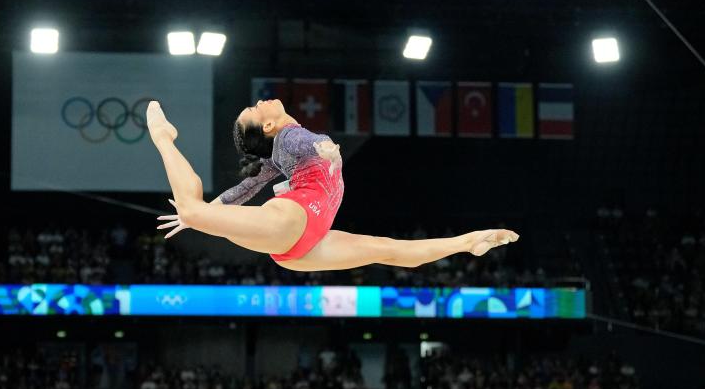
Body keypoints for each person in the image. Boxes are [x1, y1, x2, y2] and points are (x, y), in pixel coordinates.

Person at [147, 99, 518, 272]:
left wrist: (211, 213)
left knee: (387, 250)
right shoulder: (291, 139)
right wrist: (324, 149)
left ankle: (469, 242)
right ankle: (163, 137)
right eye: (255, 110)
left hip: (305, 237)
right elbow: (302, 150)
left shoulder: (281, 149)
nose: (259, 102)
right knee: (191, 210)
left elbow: (243, 191)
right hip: (294, 222)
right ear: (270, 127)